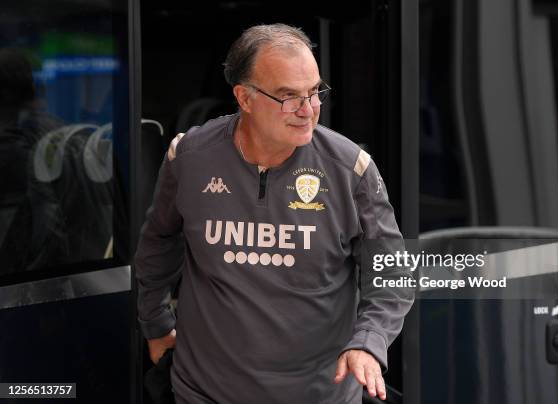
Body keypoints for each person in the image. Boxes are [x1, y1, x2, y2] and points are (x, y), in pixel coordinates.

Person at [135, 23, 414, 404]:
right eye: (289, 96)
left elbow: (391, 271)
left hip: (319, 396)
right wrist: (155, 323)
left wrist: (368, 342)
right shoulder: (189, 158)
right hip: (204, 393)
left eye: (315, 92)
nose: (308, 110)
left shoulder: (351, 170)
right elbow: (158, 241)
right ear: (244, 98)